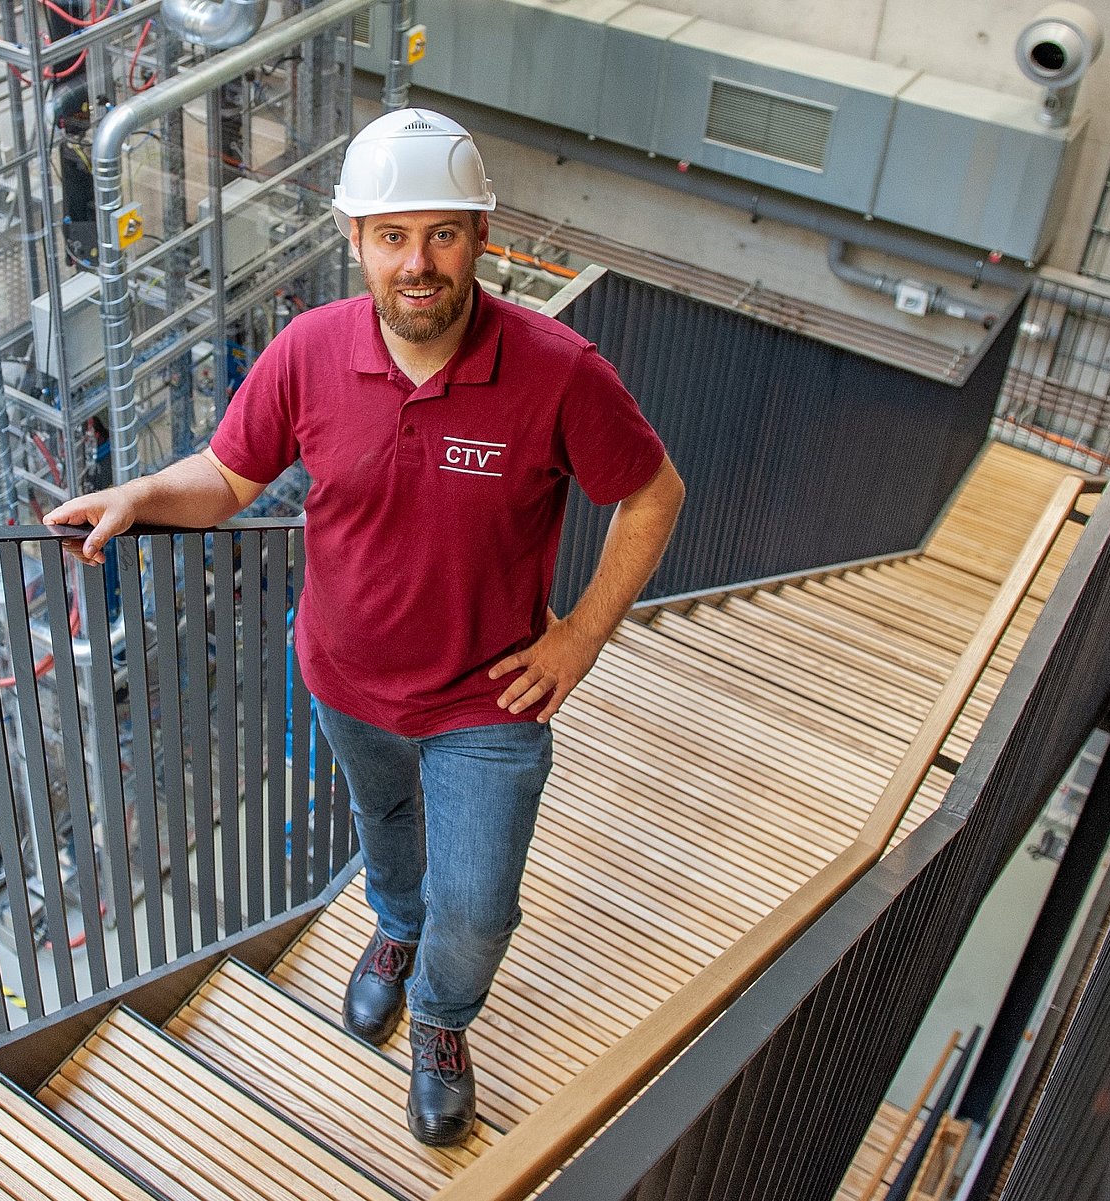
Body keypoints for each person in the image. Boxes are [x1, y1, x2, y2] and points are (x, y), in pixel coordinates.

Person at [44, 108, 684, 1146]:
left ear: (482, 236)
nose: (417, 263)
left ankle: (439, 1014)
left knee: (477, 904)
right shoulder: (308, 351)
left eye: (441, 233)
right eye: (392, 236)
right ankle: (393, 928)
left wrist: (581, 638)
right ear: (355, 241)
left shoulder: (557, 370)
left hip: (488, 700)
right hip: (345, 679)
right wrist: (139, 494)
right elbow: (229, 475)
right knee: (386, 835)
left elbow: (654, 495)